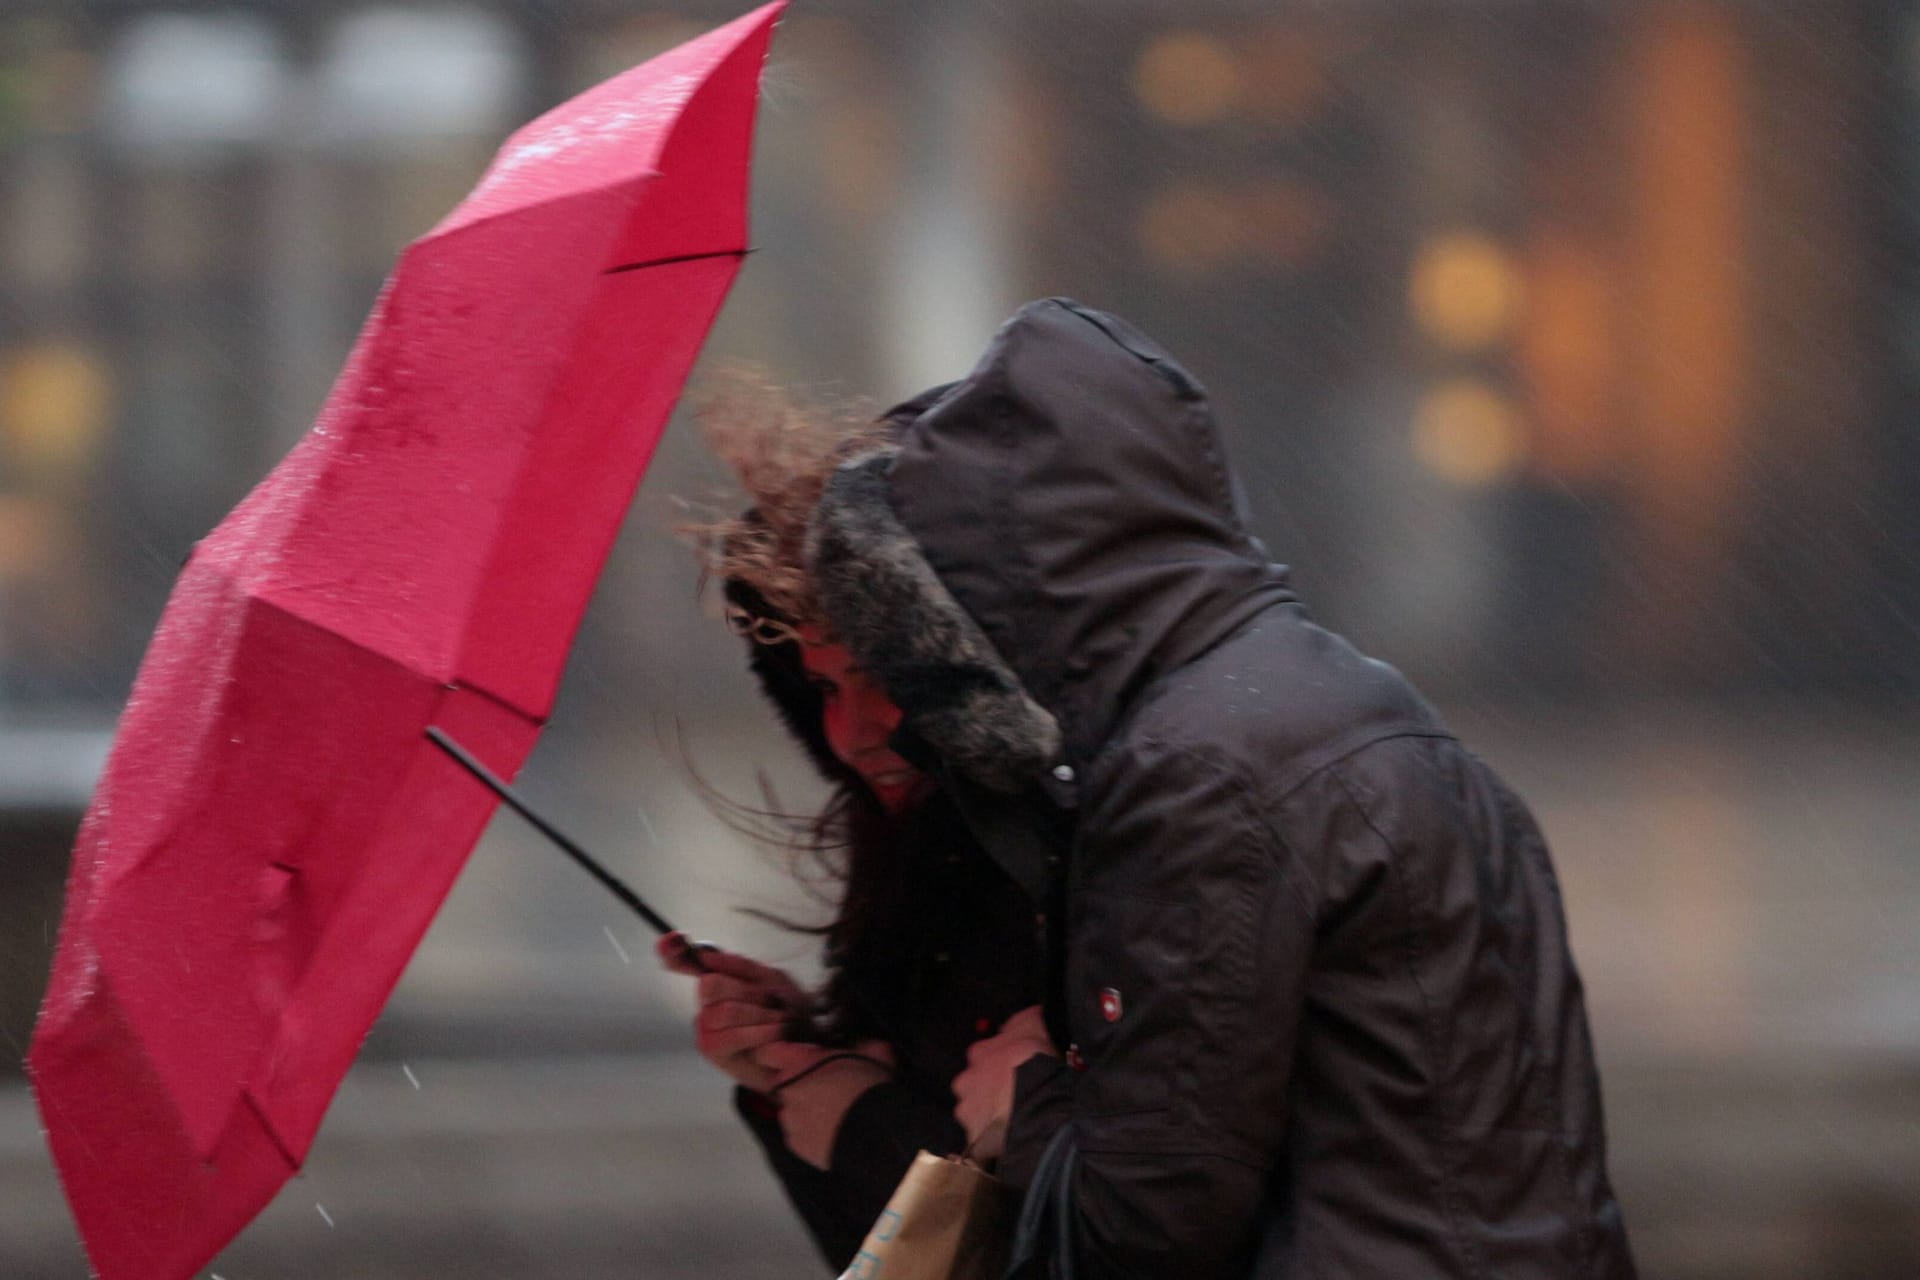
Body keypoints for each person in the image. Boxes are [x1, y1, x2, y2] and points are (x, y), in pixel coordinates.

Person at [801, 298, 1638, 1278]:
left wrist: (1018, 1104)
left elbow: (1145, 1225)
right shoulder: (1335, 705)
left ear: (1004, 578)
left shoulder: (1194, 776)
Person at [657, 381, 1043, 1273]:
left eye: (883, 676)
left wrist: (863, 1123)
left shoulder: (1074, 873)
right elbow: (888, 1260)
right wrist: (805, 1068)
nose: (851, 732)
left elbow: (1078, 1242)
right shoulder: (922, 871)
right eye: (827, 688)